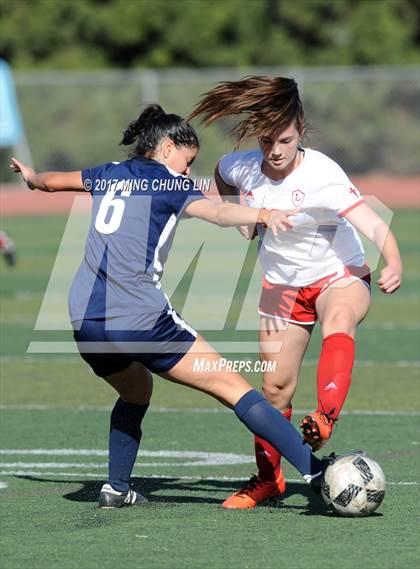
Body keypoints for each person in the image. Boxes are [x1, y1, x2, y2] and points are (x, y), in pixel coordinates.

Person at [10, 104, 334, 510]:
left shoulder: (109, 172)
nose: (187, 171)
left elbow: (53, 181)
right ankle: (318, 471)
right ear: (166, 147)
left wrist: (31, 179)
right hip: (139, 318)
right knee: (237, 390)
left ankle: (115, 486)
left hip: (85, 320)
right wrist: (262, 212)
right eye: (188, 161)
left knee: (136, 390)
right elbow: (217, 211)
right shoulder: (169, 183)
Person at [189, 76, 402, 509]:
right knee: (274, 390)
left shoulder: (322, 172)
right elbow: (222, 174)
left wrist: (393, 261)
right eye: (268, 141)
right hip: (281, 286)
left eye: (284, 140)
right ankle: (269, 480)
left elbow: (375, 224)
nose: (276, 150)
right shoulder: (244, 166)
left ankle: (325, 417)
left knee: (339, 320)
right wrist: (244, 219)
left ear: (300, 130)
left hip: (337, 275)